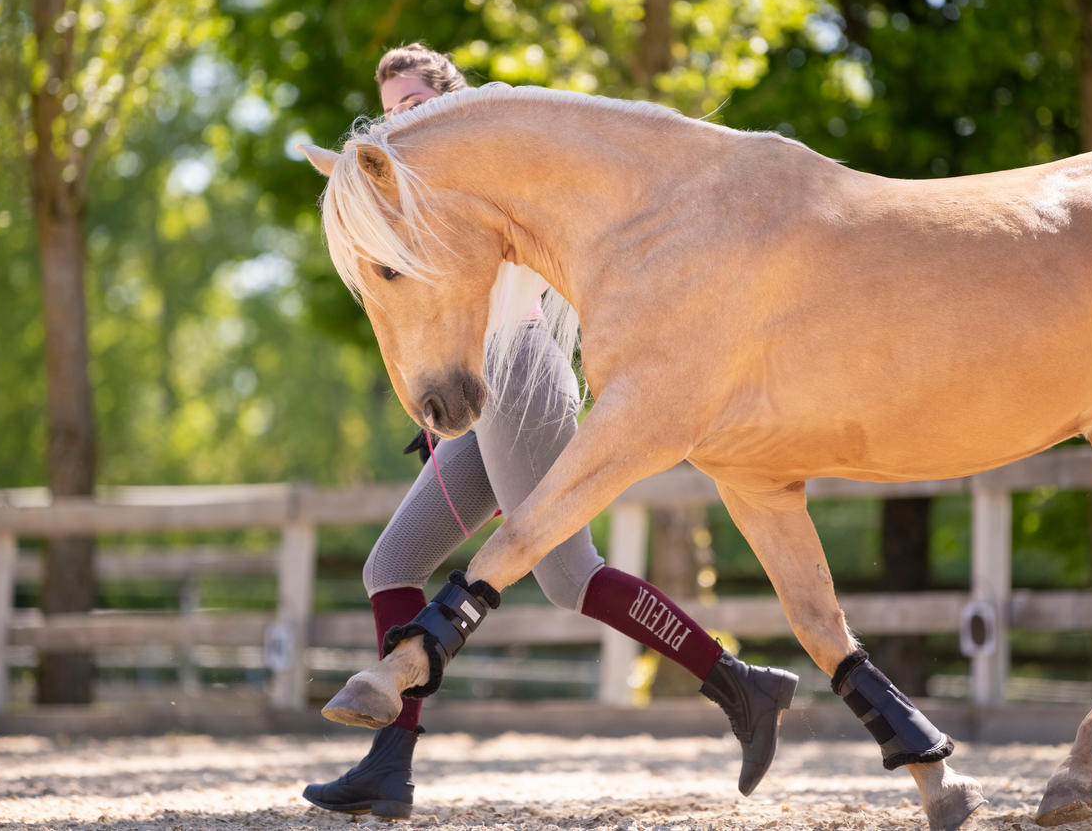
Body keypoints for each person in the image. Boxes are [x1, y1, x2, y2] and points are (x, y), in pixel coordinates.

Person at [302, 42, 798, 820]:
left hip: (524, 370)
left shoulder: (488, 171)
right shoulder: (415, 203)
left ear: (446, 103)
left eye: (410, 111)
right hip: (481, 385)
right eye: (389, 116)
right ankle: (388, 762)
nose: (399, 130)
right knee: (390, 563)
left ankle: (741, 683)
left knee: (572, 579)